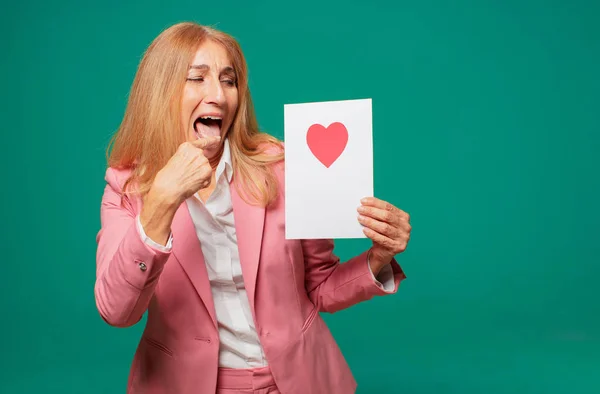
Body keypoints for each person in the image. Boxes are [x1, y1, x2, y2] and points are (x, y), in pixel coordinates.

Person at [95, 21, 412, 394]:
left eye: (228, 80)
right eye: (197, 78)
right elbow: (118, 312)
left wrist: (378, 258)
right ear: (160, 91)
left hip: (297, 381)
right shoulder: (127, 187)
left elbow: (321, 287)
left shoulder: (281, 168)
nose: (218, 95)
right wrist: (161, 203)